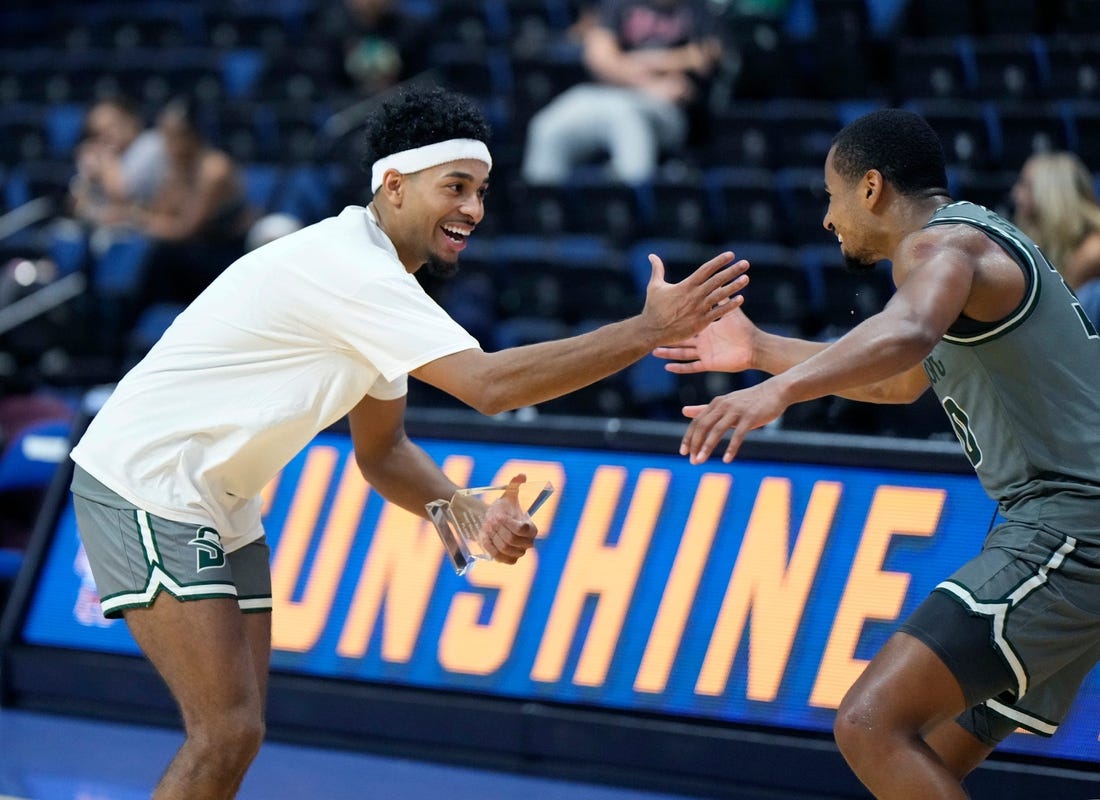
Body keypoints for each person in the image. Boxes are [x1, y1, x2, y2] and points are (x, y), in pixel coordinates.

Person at [66, 85, 747, 799]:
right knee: (226, 732)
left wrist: (466, 513)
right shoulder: (353, 274)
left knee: (240, 732)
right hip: (147, 481)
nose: (474, 210)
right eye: (455, 187)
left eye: (481, 191)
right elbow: (489, 387)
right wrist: (645, 332)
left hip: (217, 498)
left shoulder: (376, 282)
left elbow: (382, 452)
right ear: (393, 186)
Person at [653, 108, 1100, 798]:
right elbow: (897, 377)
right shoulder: (971, 244)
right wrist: (760, 351)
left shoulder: (940, 247)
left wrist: (772, 397)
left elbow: (909, 332)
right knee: (919, 763)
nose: (828, 220)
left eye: (831, 198)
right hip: (1058, 527)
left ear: (870, 188)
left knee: (869, 725)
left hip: (1072, 527)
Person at [520, 0, 723, 186]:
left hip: (669, 109)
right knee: (546, 127)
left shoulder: (699, 9)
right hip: (608, 95)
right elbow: (598, 58)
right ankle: (541, 213)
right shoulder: (619, 3)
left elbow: (704, 58)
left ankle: (627, 211)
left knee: (626, 119)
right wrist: (654, 77)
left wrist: (625, 62)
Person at [133, 96, 258, 309]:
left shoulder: (214, 169)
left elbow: (185, 229)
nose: (167, 144)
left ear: (193, 135)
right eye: (165, 135)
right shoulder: (177, 167)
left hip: (224, 255)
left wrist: (137, 220)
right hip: (194, 252)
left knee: (159, 256)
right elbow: (160, 212)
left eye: (174, 136)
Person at [67, 94, 167, 250]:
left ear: (131, 120)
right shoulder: (105, 154)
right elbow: (77, 205)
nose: (105, 136)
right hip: (110, 232)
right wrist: (87, 176)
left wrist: (106, 161)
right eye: (97, 132)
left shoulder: (150, 144)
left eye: (111, 126)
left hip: (148, 238)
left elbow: (121, 195)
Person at [1011, 150, 1100, 323]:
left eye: (1025, 184)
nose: (1016, 193)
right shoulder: (1047, 241)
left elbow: (1057, 315)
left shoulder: (1093, 251)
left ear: (1049, 192)